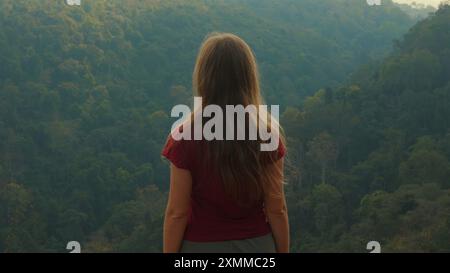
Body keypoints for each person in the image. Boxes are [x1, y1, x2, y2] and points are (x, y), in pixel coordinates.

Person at [161, 33, 289, 253]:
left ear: (204, 78)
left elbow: (177, 213)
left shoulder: (184, 139)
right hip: (256, 247)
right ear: (248, 78)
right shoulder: (266, 135)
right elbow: (277, 209)